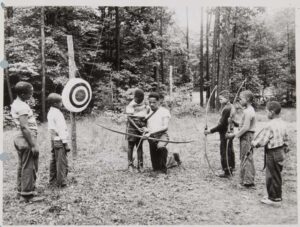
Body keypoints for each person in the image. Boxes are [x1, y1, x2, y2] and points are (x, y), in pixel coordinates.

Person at [251, 101, 289, 206]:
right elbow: (286, 139)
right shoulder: (283, 123)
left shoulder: (269, 125)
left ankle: (274, 199)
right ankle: (274, 196)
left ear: (272, 112)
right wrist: (285, 149)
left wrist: (254, 143)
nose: (266, 114)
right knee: (276, 175)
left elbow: (262, 141)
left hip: (272, 153)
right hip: (280, 152)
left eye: (266, 111)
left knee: (271, 176)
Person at [11, 81, 41, 202]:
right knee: (29, 165)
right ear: (22, 94)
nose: (31, 95)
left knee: (22, 164)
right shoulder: (22, 106)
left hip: (19, 137)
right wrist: (33, 145)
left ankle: (21, 191)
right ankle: (27, 195)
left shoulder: (17, 103)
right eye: (30, 93)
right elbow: (24, 126)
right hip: (26, 138)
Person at [143, 92, 181, 174]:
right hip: (151, 137)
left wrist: (150, 133)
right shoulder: (148, 111)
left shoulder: (164, 111)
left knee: (161, 147)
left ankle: (164, 169)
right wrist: (145, 129)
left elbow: (165, 127)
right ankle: (171, 161)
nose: (152, 104)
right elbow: (146, 125)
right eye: (150, 102)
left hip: (162, 136)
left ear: (159, 102)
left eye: (154, 102)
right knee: (155, 167)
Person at [226, 90, 256, 188]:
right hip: (246, 136)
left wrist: (234, 135)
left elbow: (246, 128)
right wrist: (233, 122)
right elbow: (243, 125)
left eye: (241, 98)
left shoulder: (248, 111)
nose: (239, 100)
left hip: (247, 137)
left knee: (246, 158)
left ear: (247, 99)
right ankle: (246, 180)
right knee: (245, 157)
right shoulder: (248, 110)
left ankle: (248, 182)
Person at [204, 90, 235, 178]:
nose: (219, 101)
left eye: (221, 99)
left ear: (227, 98)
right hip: (230, 132)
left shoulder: (227, 108)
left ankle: (227, 171)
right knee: (229, 150)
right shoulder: (230, 106)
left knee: (224, 151)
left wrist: (210, 131)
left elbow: (222, 125)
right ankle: (231, 167)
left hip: (225, 133)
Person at [47, 93, 70, 187]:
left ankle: (52, 180)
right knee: (61, 161)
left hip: (53, 139)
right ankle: (62, 182)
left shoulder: (50, 112)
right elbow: (61, 129)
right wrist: (66, 143)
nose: (62, 104)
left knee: (54, 160)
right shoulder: (57, 114)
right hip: (60, 140)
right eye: (61, 102)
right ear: (55, 103)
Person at [125, 88, 150, 172]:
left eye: (142, 99)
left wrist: (145, 126)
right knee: (130, 146)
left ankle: (140, 165)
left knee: (139, 146)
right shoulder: (131, 105)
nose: (140, 100)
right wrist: (137, 127)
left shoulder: (145, 104)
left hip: (141, 126)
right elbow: (129, 118)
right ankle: (130, 165)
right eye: (138, 99)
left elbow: (148, 114)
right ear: (135, 97)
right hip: (132, 127)